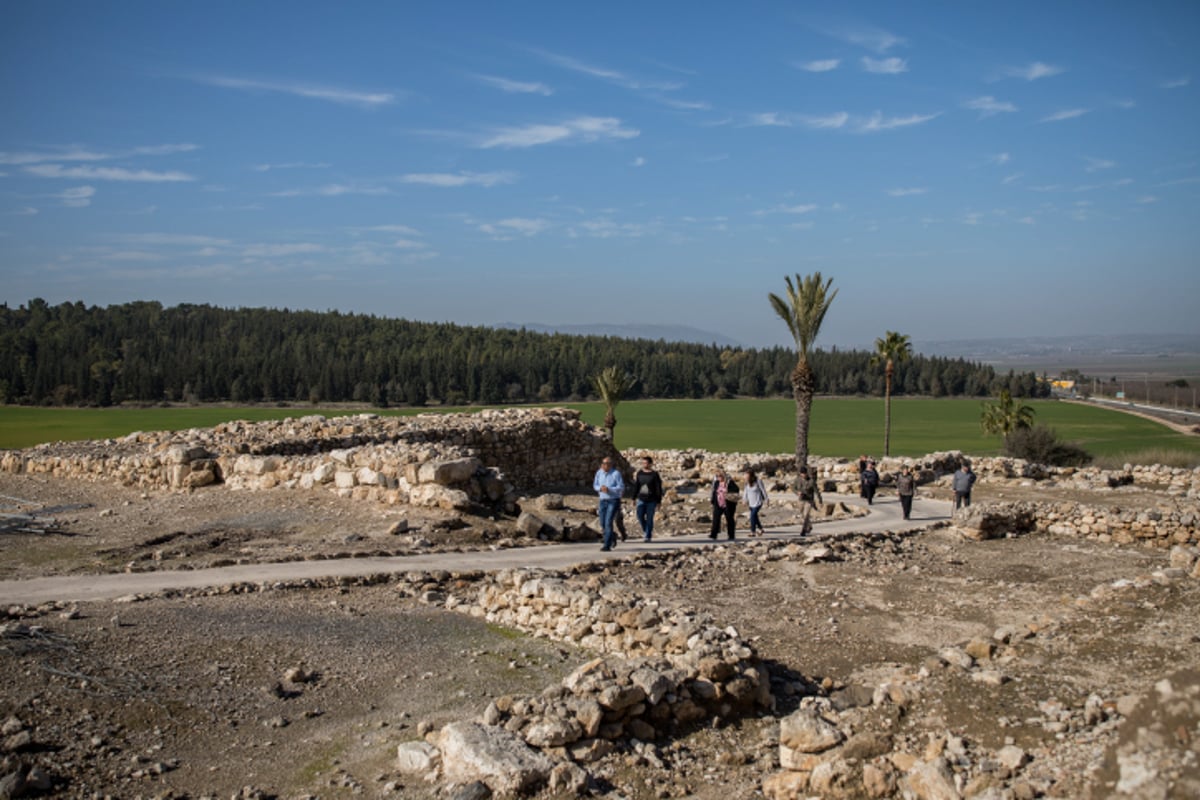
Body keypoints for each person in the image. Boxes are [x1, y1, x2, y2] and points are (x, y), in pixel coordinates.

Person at [593, 457, 624, 551]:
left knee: (608, 522)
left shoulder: (616, 474)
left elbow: (621, 487)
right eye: (603, 463)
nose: (605, 465)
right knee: (602, 522)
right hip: (603, 500)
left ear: (610, 465)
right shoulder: (599, 473)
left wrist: (609, 489)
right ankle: (612, 536)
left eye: (607, 464)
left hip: (613, 500)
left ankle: (607, 545)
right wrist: (600, 488)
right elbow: (595, 485)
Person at [631, 455, 664, 542]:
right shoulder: (640, 473)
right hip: (641, 499)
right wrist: (633, 498)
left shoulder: (654, 475)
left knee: (650, 518)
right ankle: (646, 530)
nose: (644, 464)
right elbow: (637, 486)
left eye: (646, 463)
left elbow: (658, 488)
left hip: (651, 500)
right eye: (643, 463)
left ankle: (648, 535)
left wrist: (659, 501)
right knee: (640, 516)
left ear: (650, 464)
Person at [708, 468, 739, 541]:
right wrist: (712, 500)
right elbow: (714, 491)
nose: (718, 477)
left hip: (728, 504)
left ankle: (731, 535)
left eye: (720, 476)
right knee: (716, 519)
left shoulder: (729, 482)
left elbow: (736, 489)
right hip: (718, 503)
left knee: (729, 519)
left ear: (723, 476)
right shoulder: (716, 483)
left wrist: (727, 492)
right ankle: (714, 534)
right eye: (717, 476)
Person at [795, 465, 822, 535]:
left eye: (804, 473)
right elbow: (793, 487)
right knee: (802, 515)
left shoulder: (811, 481)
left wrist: (820, 500)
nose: (803, 475)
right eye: (801, 474)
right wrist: (797, 492)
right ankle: (809, 526)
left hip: (809, 500)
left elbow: (817, 491)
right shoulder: (798, 480)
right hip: (801, 499)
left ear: (806, 473)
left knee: (806, 514)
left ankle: (803, 530)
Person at [742, 469, 768, 536]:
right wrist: (744, 500)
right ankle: (761, 528)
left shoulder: (758, 481)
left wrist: (766, 500)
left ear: (751, 475)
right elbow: (745, 492)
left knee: (752, 515)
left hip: (758, 502)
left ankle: (752, 531)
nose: (745, 476)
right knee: (755, 517)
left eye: (747, 475)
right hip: (751, 502)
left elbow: (763, 491)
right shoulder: (746, 483)